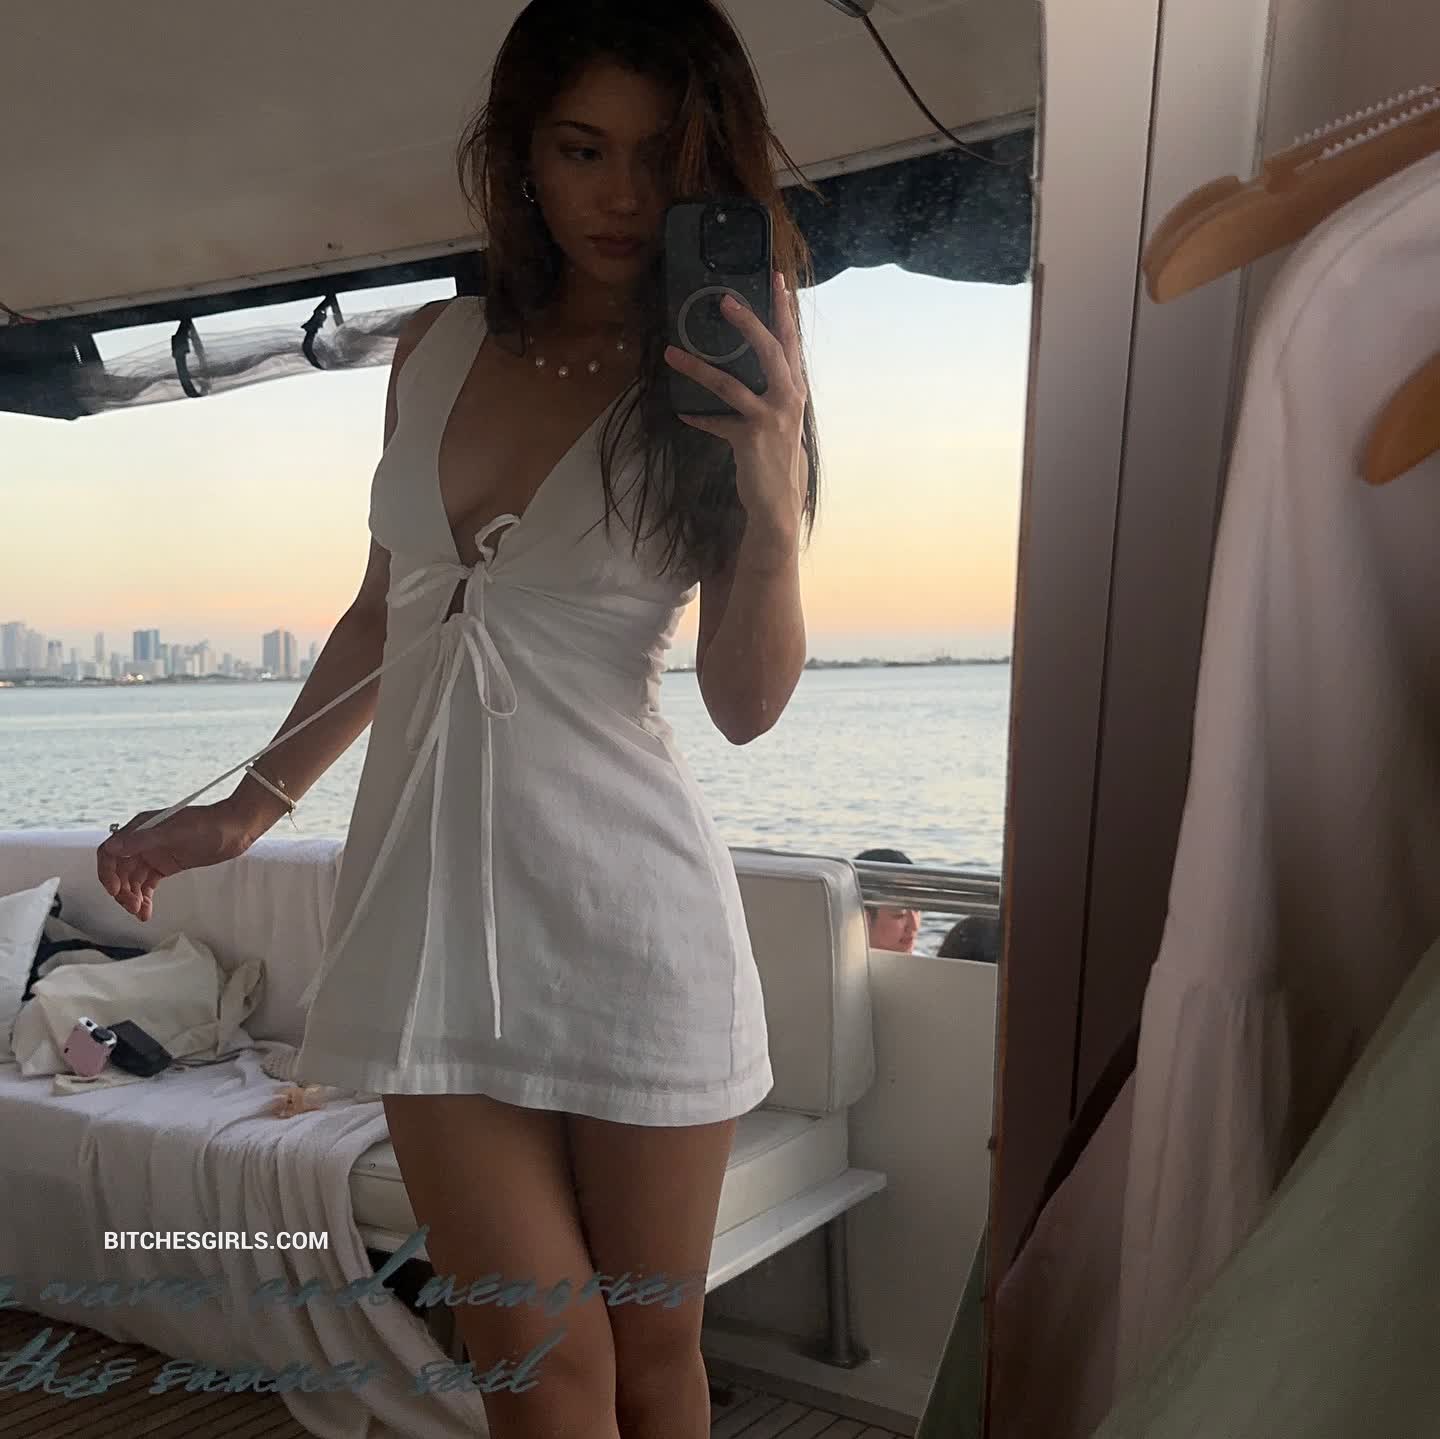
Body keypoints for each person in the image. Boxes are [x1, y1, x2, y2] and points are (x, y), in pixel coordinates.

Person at [95, 4, 821, 1436]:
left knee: (651, 1355)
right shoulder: (433, 346)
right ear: (521, 157)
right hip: (420, 929)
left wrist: (777, 496)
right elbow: (388, 610)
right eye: (583, 149)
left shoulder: (723, 370)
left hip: (632, 922)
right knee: (539, 1372)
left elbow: (746, 706)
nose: (622, 194)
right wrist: (242, 809)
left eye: (660, 157)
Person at [854, 847, 922, 953]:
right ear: (862, 920)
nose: (914, 926)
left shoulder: (925, 961)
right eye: (900, 914)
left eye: (917, 909)